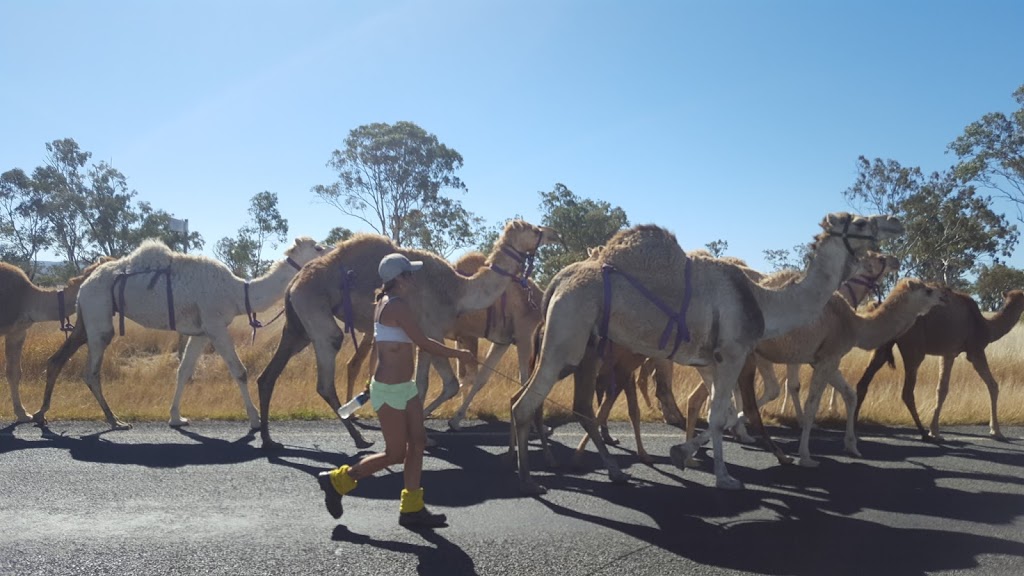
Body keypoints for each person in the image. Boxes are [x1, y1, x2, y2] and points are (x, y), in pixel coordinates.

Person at [317, 253, 477, 528]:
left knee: (417, 444)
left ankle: (412, 509)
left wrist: (369, 379)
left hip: (404, 387)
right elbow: (424, 342)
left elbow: (380, 348)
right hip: (390, 391)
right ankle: (338, 480)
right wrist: (460, 354)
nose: (412, 278)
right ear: (399, 279)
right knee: (395, 454)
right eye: (409, 274)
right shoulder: (396, 306)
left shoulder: (386, 303)